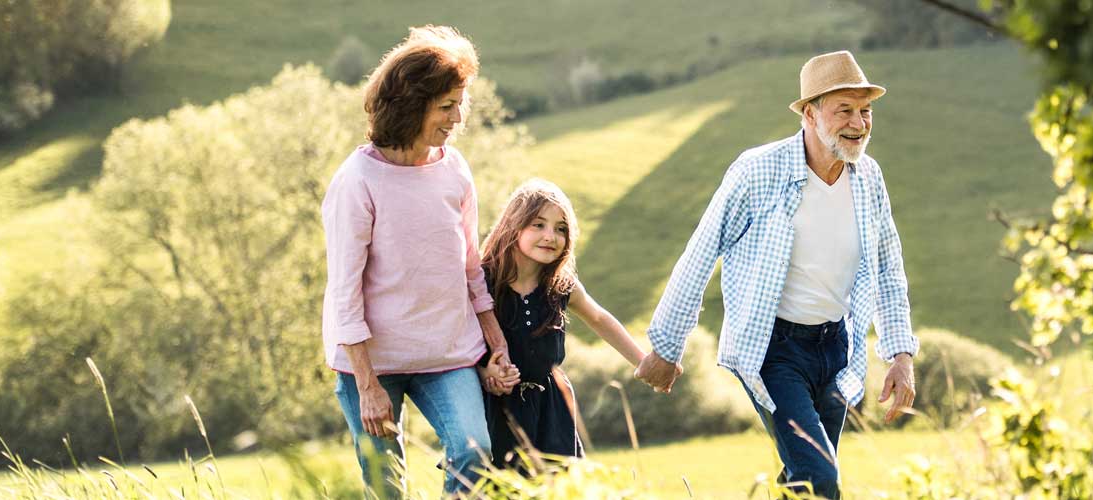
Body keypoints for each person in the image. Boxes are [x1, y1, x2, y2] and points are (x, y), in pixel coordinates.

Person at [633, 50, 920, 499]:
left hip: (835, 348)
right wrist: (666, 346)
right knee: (821, 479)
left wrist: (900, 354)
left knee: (801, 482)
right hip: (774, 351)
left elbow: (888, 268)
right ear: (810, 112)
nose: (859, 123)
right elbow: (701, 253)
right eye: (843, 109)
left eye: (865, 111)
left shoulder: (869, 178)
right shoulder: (756, 171)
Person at [320, 25, 517, 499]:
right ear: (411, 104)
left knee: (473, 452)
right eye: (447, 106)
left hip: (447, 354)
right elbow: (345, 292)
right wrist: (367, 385)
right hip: (371, 364)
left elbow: (471, 269)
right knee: (386, 488)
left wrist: (494, 342)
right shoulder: (358, 181)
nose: (458, 118)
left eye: (460, 104)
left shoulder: (454, 170)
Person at [476, 179, 647, 471]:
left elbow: (599, 318)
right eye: (538, 225)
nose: (550, 236)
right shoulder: (482, 282)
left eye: (561, 229)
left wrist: (644, 362)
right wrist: (483, 372)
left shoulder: (560, 285)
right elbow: (454, 343)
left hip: (550, 410)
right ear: (514, 225)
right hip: (496, 408)